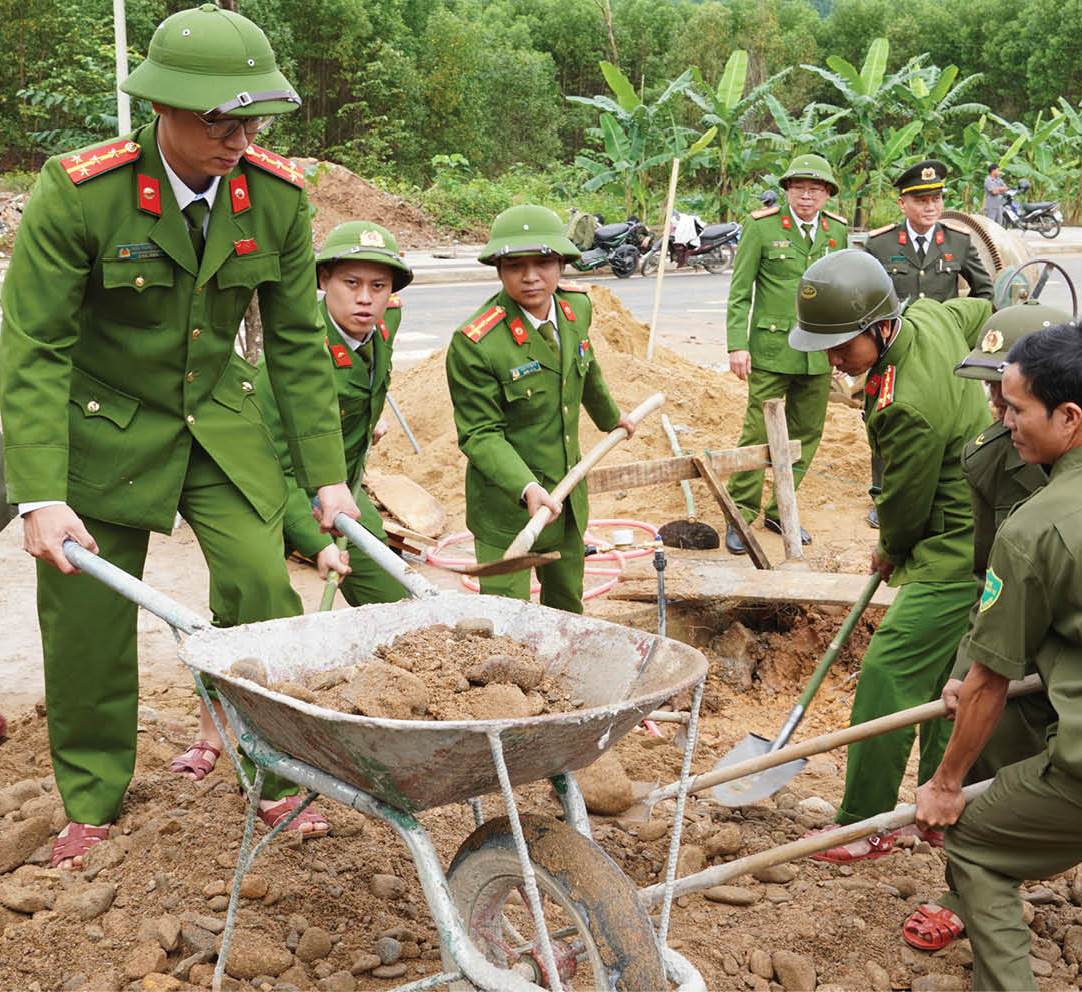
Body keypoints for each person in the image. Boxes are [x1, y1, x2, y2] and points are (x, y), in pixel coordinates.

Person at [0, 4, 359, 868]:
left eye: (251, 120)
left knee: (262, 593)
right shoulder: (82, 190)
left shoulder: (274, 197)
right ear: (160, 107)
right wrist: (40, 496)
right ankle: (92, 800)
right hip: (103, 428)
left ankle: (276, 781)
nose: (237, 138)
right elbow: (34, 347)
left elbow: (300, 348)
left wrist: (329, 477)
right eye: (218, 121)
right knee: (86, 617)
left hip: (221, 423)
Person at [787, 250, 992, 861]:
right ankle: (936, 810)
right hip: (974, 520)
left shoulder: (908, 406)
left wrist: (887, 548)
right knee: (942, 680)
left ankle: (864, 822)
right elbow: (981, 308)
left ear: (879, 327)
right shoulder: (930, 315)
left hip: (955, 542)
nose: (832, 360)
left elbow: (905, 500)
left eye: (841, 346)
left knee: (890, 670)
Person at [910, 321, 1082, 991]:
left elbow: (990, 677)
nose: (1002, 420)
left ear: (1068, 417)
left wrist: (946, 784)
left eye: (1015, 408)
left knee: (978, 844)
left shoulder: (1036, 525)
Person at [445, 204, 635, 612]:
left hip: (566, 503)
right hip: (508, 511)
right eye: (516, 265)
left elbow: (584, 366)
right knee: (507, 622)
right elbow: (480, 435)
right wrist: (527, 487)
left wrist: (609, 417)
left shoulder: (575, 309)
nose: (531, 277)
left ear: (562, 263)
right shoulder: (477, 343)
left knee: (567, 607)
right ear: (498, 268)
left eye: (544, 263)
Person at [254, 220, 412, 605]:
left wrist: (368, 422)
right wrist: (315, 542)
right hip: (276, 497)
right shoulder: (292, 360)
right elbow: (274, 471)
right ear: (324, 280)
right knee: (261, 606)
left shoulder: (384, 322)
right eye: (351, 283)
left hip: (344, 488)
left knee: (395, 600)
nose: (365, 299)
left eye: (378, 286)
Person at [724, 154, 848, 555]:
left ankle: (781, 509)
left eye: (815, 189)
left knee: (806, 434)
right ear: (788, 192)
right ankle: (740, 512)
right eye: (798, 188)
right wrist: (737, 345)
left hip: (818, 355)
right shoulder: (761, 229)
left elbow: (842, 294)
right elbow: (741, 292)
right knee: (757, 431)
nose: (806, 196)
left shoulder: (836, 233)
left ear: (827, 194)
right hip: (772, 350)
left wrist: (841, 349)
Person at [863, 159, 994, 529]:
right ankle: (882, 493)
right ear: (903, 203)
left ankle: (944, 487)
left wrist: (963, 337)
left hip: (943, 352)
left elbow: (984, 293)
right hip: (894, 350)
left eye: (936, 198)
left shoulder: (958, 242)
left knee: (946, 417)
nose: (930, 206)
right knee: (886, 414)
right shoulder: (880, 244)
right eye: (921, 200)